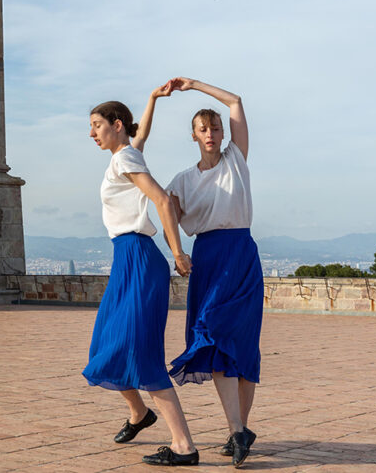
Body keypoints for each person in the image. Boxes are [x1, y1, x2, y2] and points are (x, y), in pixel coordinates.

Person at [82, 92, 199, 467]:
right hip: (125, 259)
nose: (92, 133)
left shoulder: (126, 158)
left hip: (138, 257)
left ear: (116, 126)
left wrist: (179, 252)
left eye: (96, 125)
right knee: (106, 347)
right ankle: (139, 414)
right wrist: (152, 99)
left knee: (141, 354)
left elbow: (163, 201)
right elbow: (140, 134)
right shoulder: (126, 154)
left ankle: (184, 445)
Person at [160, 77, 261, 469]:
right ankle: (238, 432)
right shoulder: (183, 180)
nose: (211, 134)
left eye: (215, 128)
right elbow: (166, 208)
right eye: (203, 129)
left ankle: (240, 431)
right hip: (209, 257)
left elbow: (235, 100)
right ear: (193, 135)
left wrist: (194, 85)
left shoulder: (237, 158)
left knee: (243, 347)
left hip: (241, 254)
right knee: (211, 336)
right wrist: (176, 250)